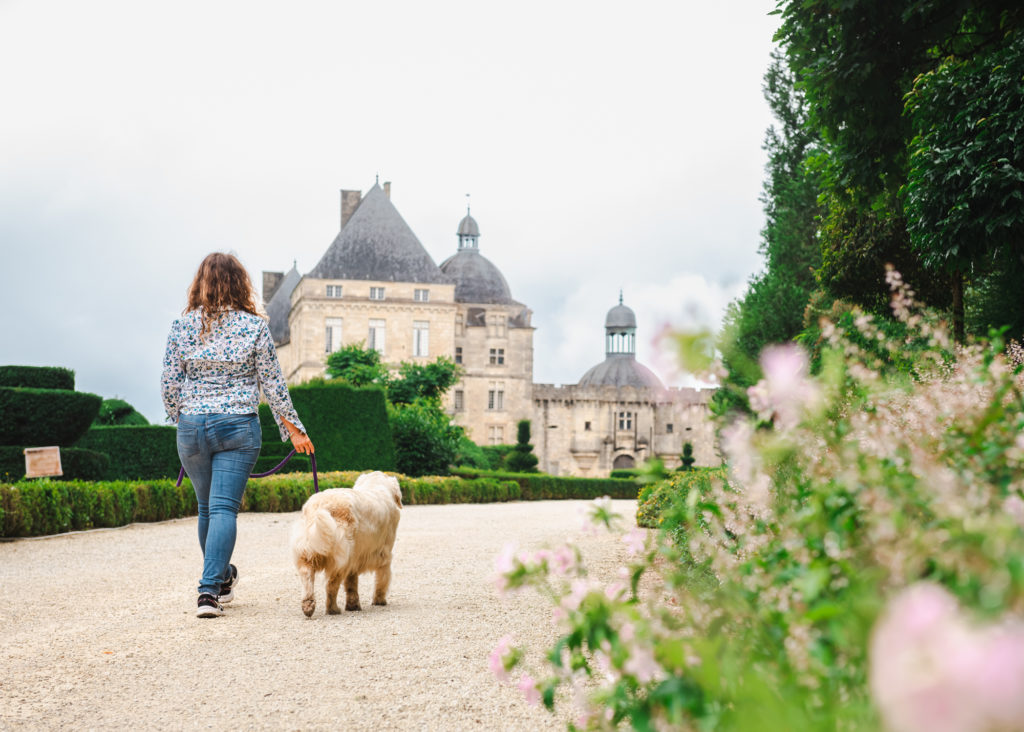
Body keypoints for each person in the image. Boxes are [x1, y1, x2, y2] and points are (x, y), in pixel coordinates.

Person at [161, 252, 314, 618]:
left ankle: (218, 583)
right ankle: (210, 589)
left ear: (199, 283)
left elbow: (169, 383)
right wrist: (295, 431)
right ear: (240, 283)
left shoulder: (182, 327)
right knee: (224, 508)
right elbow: (274, 385)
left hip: (193, 427)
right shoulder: (254, 326)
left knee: (207, 508)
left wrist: (180, 415)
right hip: (237, 424)